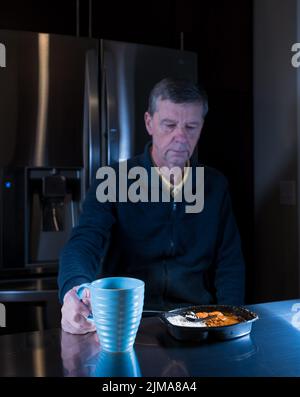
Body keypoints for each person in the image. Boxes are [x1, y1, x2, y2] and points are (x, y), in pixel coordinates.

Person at [59, 77, 245, 334]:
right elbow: (83, 242)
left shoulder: (214, 186)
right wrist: (76, 290)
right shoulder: (112, 180)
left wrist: (229, 323)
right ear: (149, 122)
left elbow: (230, 263)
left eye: (191, 127)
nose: (181, 137)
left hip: (196, 321)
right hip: (127, 320)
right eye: (169, 125)